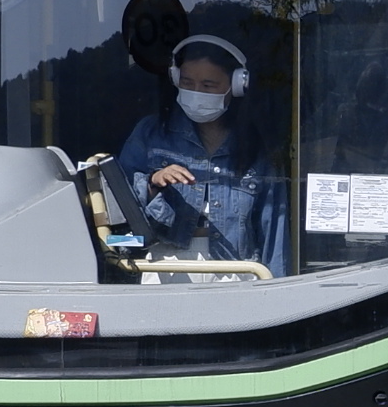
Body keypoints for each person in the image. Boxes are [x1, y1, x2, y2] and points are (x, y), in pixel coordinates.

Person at [112, 35, 287, 271]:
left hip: (239, 269)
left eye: (208, 85)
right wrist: (152, 183)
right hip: (165, 267)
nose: (196, 92)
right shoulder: (151, 133)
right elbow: (117, 205)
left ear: (236, 85)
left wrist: (278, 284)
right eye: (187, 82)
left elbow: (273, 228)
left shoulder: (256, 145)